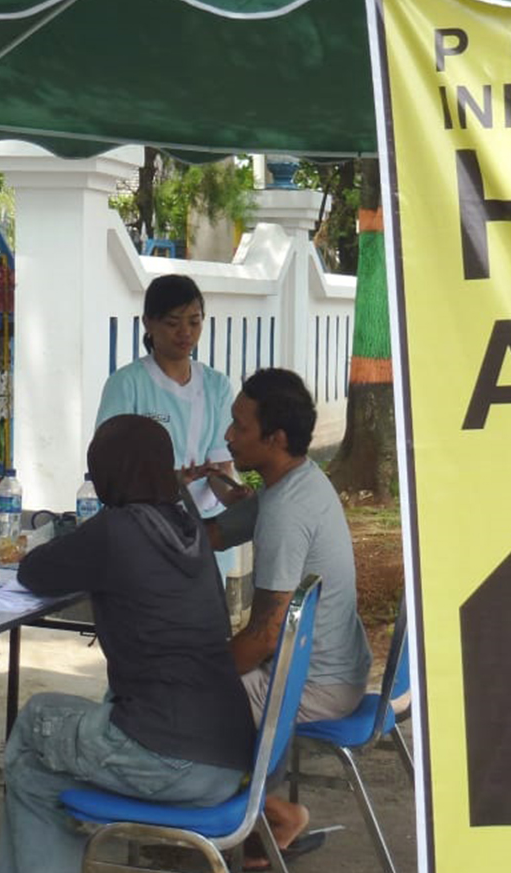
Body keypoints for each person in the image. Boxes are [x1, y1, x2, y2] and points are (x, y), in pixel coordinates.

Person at [0, 415, 256, 873]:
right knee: (39, 775)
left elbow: (35, 571)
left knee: (36, 723)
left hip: (168, 756)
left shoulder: (116, 530)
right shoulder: (188, 522)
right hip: (229, 752)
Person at [209, 368, 374, 871]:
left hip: (318, 684)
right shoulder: (295, 482)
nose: (228, 435)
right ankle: (260, 819)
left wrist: (196, 672)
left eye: (239, 426)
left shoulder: (286, 511)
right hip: (335, 667)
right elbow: (210, 535)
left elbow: (261, 640)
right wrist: (162, 499)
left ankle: (269, 815)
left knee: (177, 704)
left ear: (274, 438)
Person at [96, 273, 241, 513]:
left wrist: (233, 497)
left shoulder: (218, 386)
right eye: (173, 323)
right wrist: (170, 482)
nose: (185, 332)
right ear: (148, 323)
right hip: (147, 524)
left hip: (210, 529)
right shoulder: (126, 384)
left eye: (194, 322)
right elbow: (110, 468)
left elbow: (221, 467)